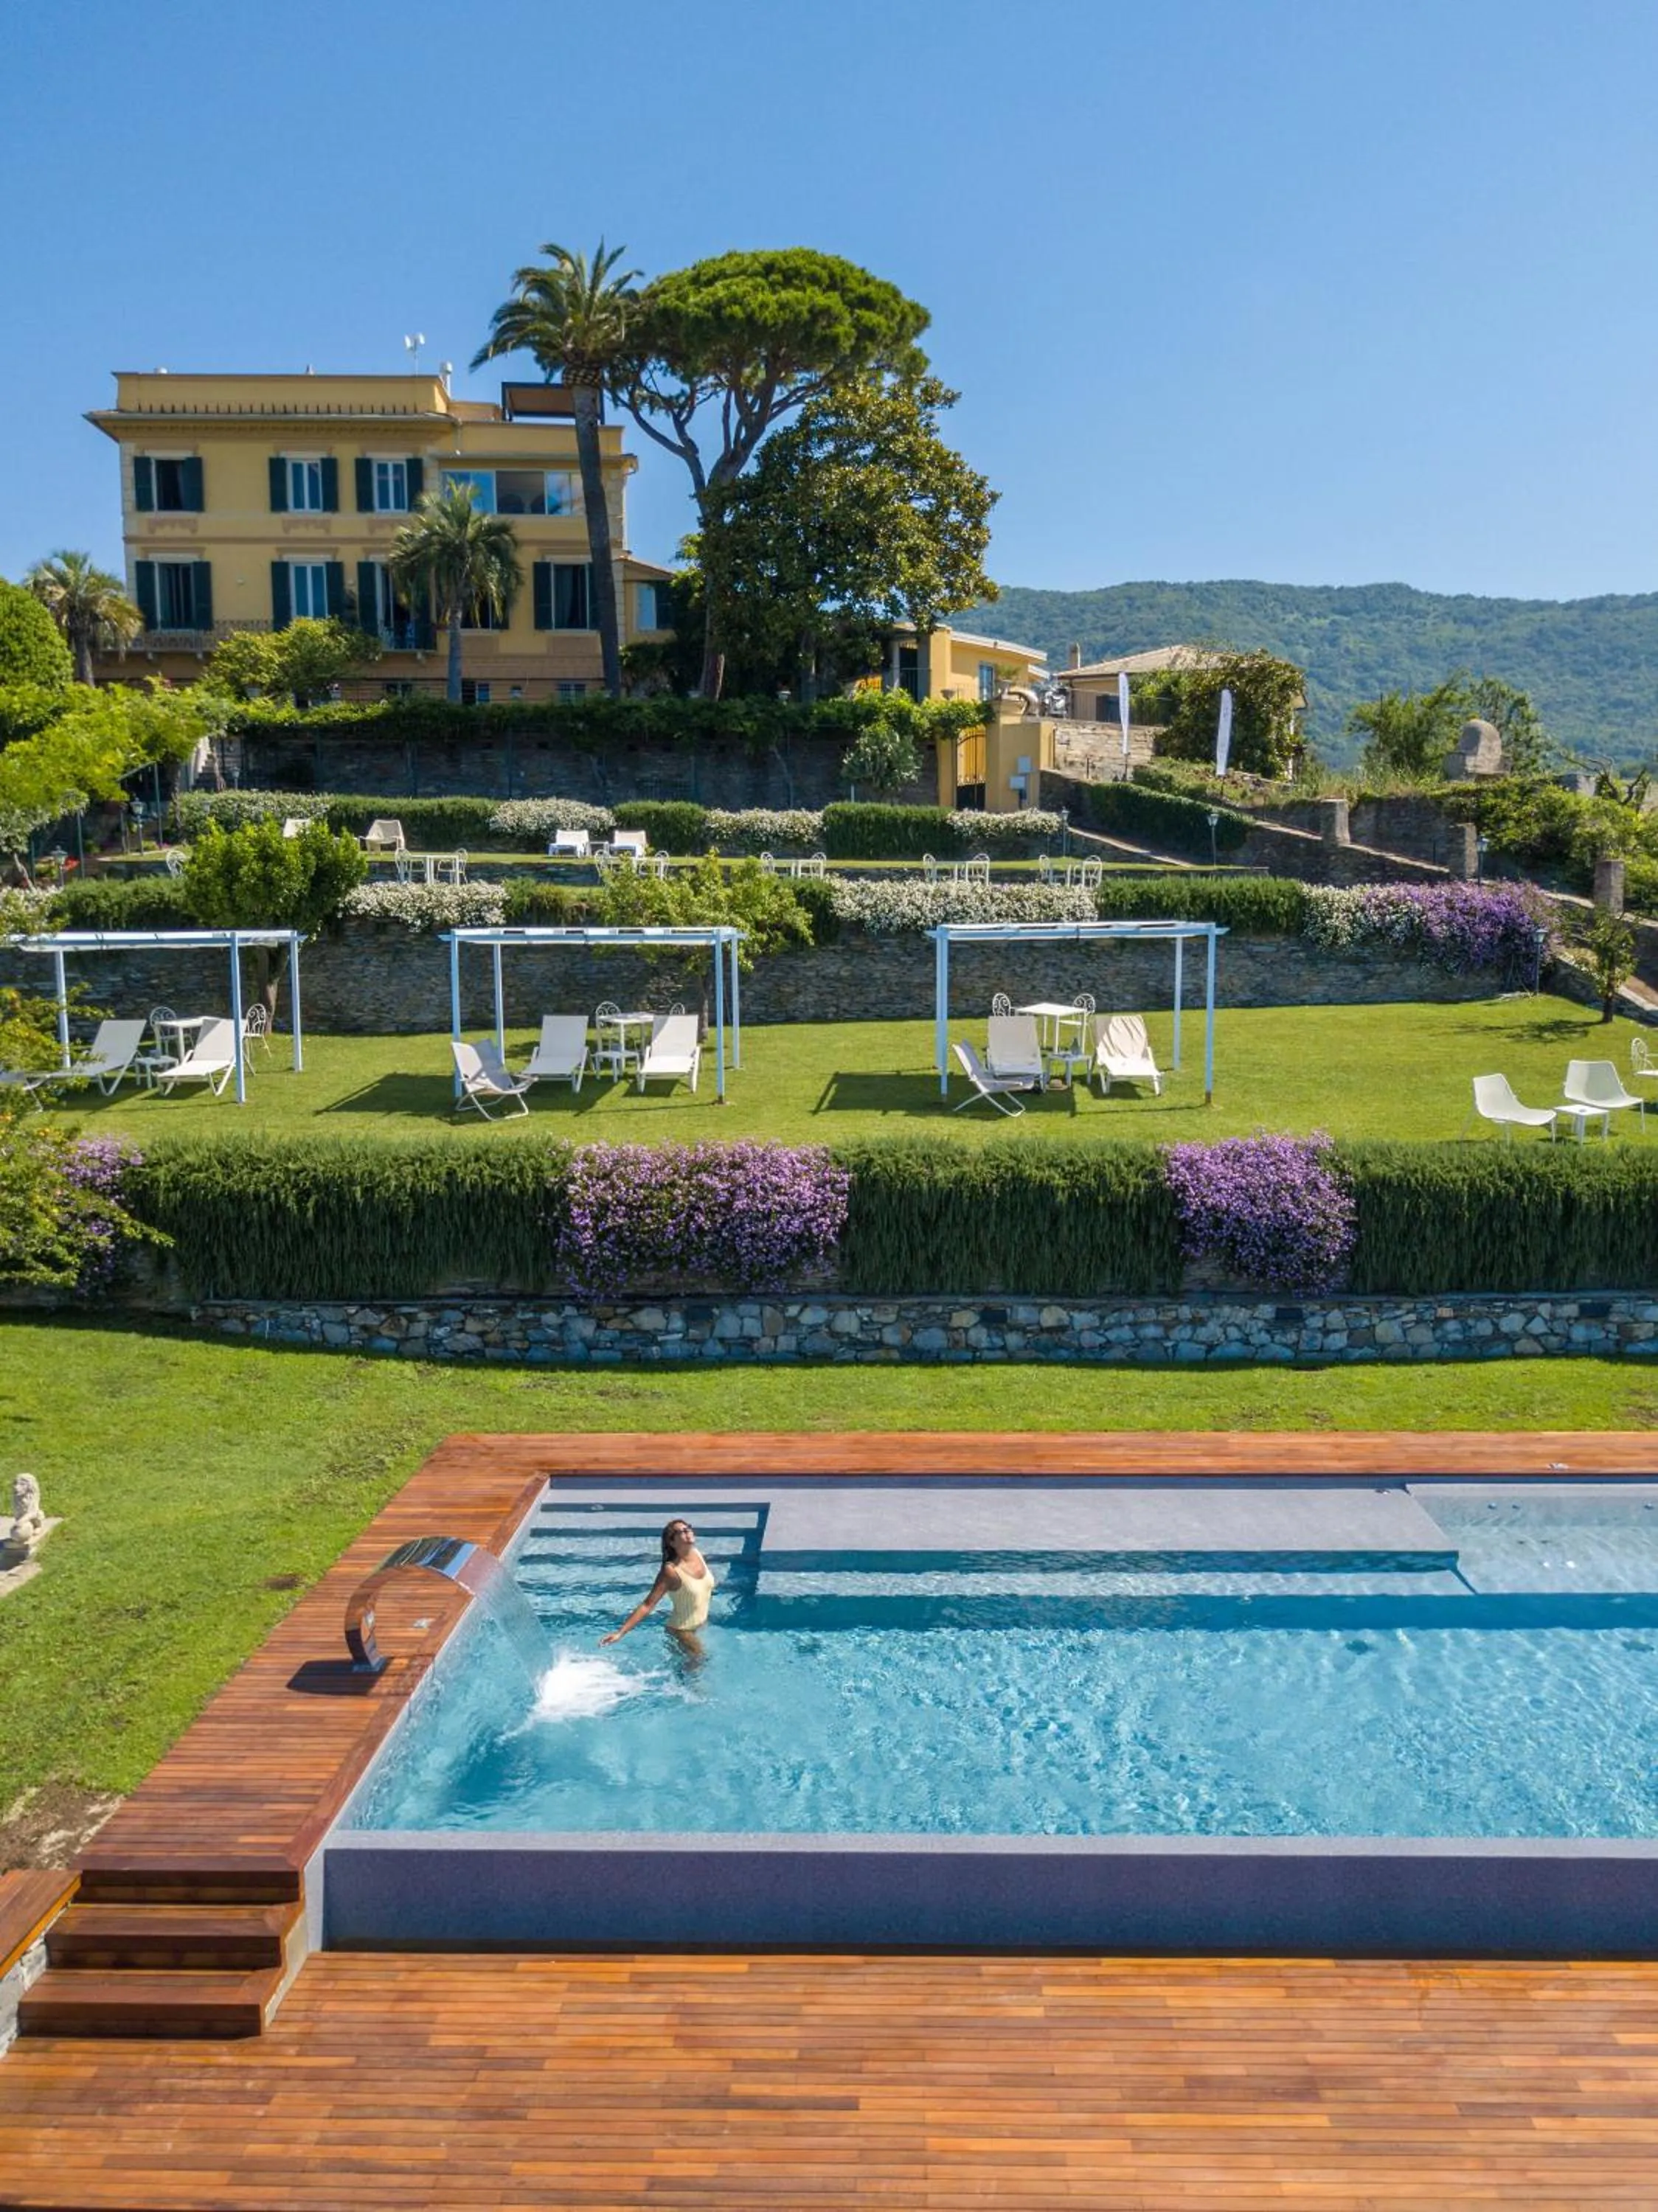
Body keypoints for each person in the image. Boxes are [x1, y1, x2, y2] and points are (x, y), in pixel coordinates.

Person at [600, 1519, 716, 1649]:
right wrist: (620, 1633)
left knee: (686, 1667)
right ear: (672, 1542)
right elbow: (648, 1604)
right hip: (682, 1630)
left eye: (688, 1528)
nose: (688, 1531)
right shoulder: (671, 1571)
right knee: (700, 1661)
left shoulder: (696, 1554)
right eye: (681, 1531)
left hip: (700, 1626)